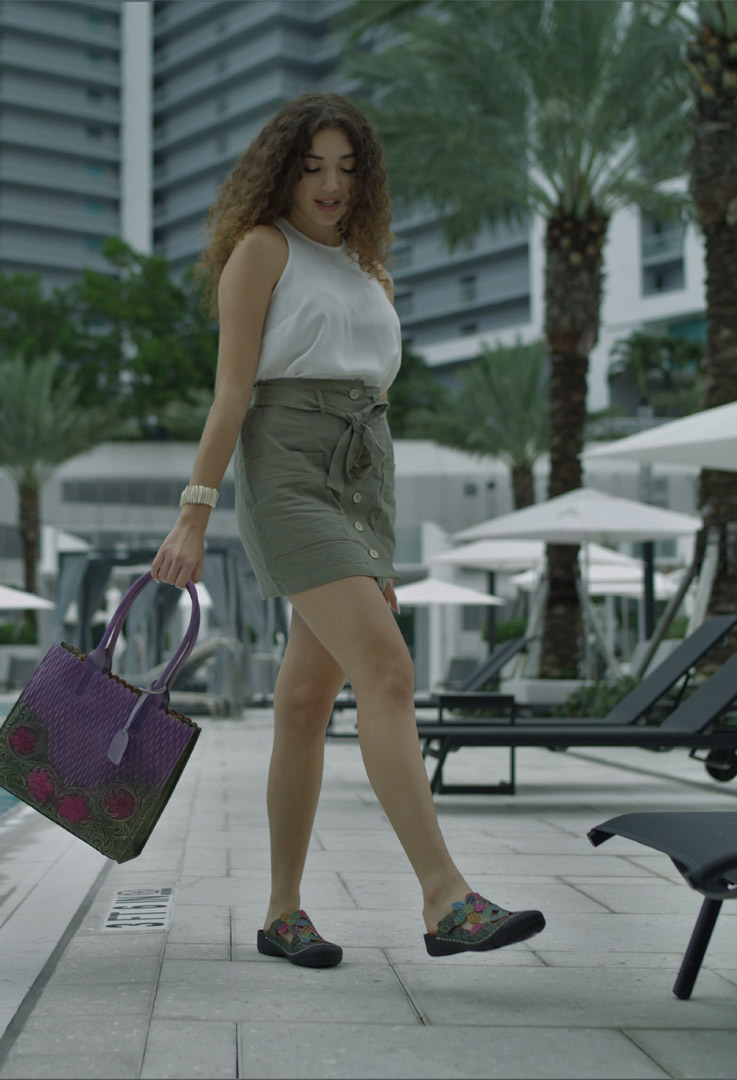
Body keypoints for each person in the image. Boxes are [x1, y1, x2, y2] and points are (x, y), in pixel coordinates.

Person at [151, 92, 545, 968]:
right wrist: (194, 512)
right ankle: (447, 898)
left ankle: (280, 916)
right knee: (390, 670)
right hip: (286, 474)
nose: (330, 184)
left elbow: (376, 402)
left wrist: (378, 547)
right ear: (281, 169)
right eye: (311, 165)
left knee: (303, 706)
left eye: (347, 167)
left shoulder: (371, 271)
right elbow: (232, 396)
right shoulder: (261, 251)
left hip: (364, 478)